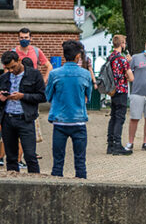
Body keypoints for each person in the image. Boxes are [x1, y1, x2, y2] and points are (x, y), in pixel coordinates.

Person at [46, 41, 93, 178]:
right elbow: (88, 97)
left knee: (58, 162)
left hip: (59, 121)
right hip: (78, 121)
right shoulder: (85, 74)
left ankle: (55, 190)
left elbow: (48, 95)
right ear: (78, 56)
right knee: (80, 161)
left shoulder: (54, 74)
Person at [0, 50, 45, 173]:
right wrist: (1, 98)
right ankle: (14, 187)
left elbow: (42, 96)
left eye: (13, 67)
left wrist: (23, 96)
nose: (11, 70)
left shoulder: (34, 74)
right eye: (8, 68)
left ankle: (35, 186)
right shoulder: (4, 77)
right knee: (11, 157)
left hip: (25, 119)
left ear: (19, 60)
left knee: (30, 156)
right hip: (7, 119)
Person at [105, 34, 133, 155]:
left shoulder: (110, 57)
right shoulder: (122, 59)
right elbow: (131, 78)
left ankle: (110, 144)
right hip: (121, 90)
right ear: (122, 44)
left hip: (112, 90)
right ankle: (118, 145)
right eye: (124, 43)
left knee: (113, 117)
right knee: (120, 118)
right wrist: (128, 63)